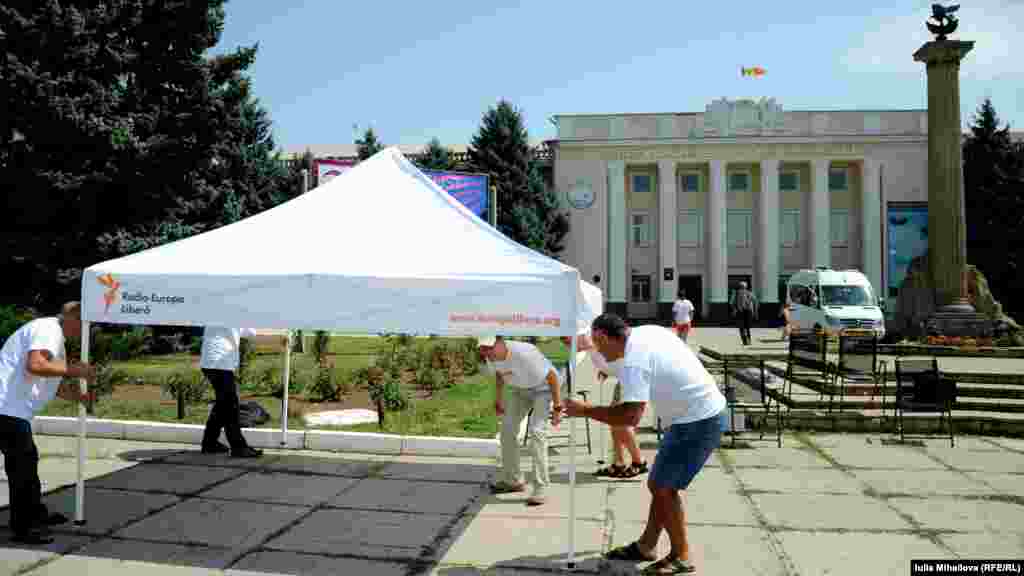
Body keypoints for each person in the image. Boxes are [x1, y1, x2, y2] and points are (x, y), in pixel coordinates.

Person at [564, 313, 726, 575]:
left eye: (597, 344)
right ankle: (647, 545)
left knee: (663, 487)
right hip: (691, 416)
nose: (598, 352)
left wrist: (584, 410)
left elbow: (630, 416)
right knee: (660, 484)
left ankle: (681, 556)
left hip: (699, 420)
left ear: (604, 336)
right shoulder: (644, 332)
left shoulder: (634, 361)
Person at [0, 302, 96, 545]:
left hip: (11, 410)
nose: (85, 332)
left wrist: (79, 397)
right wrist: (74, 370)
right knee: (22, 467)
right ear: (73, 318)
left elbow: (49, 380)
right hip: (5, 409)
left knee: (26, 461)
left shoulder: (52, 334)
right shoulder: (48, 329)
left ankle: (34, 514)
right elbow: (37, 365)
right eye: (84, 326)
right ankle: (24, 527)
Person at [478, 335, 561, 506]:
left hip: (544, 389)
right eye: (482, 348)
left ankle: (541, 488)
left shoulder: (524, 352)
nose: (486, 352)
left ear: (501, 342)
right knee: (507, 431)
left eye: (489, 347)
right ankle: (513, 480)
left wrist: (558, 407)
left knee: (537, 433)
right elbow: (500, 375)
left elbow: (552, 376)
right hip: (519, 390)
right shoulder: (490, 356)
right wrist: (499, 398)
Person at [561, 334, 647, 479]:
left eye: (567, 341)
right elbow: (606, 356)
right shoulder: (587, 342)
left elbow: (602, 348)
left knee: (621, 423)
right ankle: (618, 463)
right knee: (615, 422)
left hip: (631, 380)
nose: (567, 346)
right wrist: (605, 370)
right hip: (624, 378)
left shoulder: (587, 338)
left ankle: (639, 462)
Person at [200, 327, 287, 457]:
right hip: (219, 364)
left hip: (211, 363)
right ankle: (238, 447)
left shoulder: (220, 312)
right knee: (230, 406)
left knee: (222, 404)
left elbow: (248, 332)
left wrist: (279, 337)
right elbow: (252, 332)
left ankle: (209, 443)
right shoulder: (233, 314)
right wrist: (280, 336)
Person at [731, 281, 757, 346]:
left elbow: (732, 302)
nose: (742, 288)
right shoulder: (750, 293)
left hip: (741, 311)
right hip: (748, 311)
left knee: (742, 327)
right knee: (747, 327)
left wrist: (734, 310)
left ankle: (745, 341)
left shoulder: (736, 293)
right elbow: (755, 301)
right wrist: (755, 311)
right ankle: (748, 341)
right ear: (746, 287)